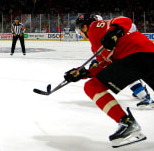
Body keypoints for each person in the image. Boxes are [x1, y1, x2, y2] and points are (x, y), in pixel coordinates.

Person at [65, 14, 154, 148]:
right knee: (92, 82)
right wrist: (83, 72)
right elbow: (104, 67)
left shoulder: (94, 27)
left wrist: (114, 31)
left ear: (84, 27)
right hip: (148, 55)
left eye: (79, 31)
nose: (80, 35)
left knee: (92, 86)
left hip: (135, 56)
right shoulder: (95, 48)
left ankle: (127, 123)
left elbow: (125, 20)